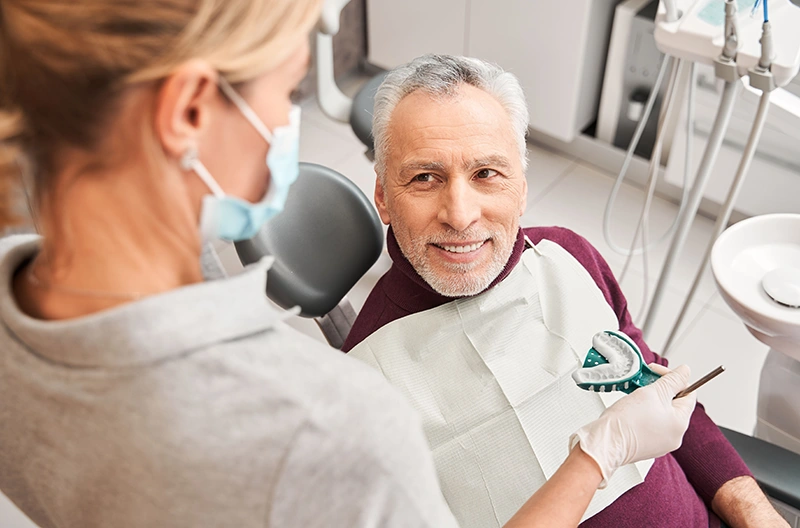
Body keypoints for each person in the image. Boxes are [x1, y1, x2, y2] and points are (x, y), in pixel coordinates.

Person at [0, 2, 695, 527]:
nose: (286, 123)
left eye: (488, 173)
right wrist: (596, 458)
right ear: (187, 111)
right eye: (291, 88)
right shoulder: (332, 423)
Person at [343, 54, 789, 528]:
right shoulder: (361, 386)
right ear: (384, 198)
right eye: (424, 178)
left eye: (486, 174)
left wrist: (754, 511)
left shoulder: (567, 255)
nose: (460, 214)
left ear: (522, 187)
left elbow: (665, 391)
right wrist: (598, 455)